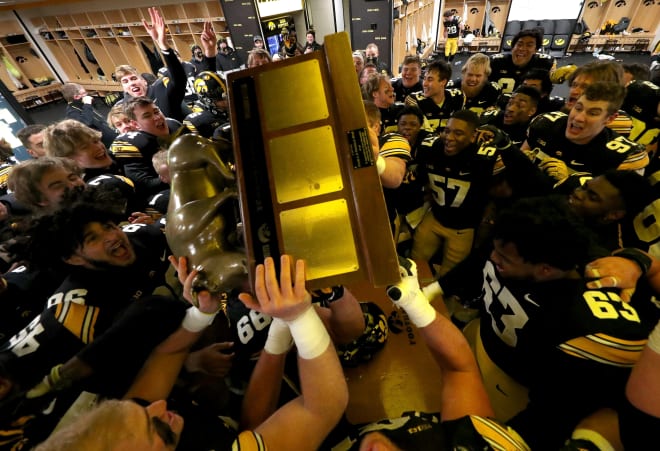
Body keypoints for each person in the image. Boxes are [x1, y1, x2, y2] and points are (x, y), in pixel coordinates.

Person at [33, 255, 349, 451]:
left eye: (141, 409)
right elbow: (321, 408)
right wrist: (298, 316)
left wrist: (202, 313)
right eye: (151, 424)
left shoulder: (131, 428)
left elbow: (165, 357)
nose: (158, 404)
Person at [437, 197, 656, 450]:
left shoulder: (588, 326)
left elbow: (551, 417)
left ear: (545, 270)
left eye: (504, 258)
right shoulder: (516, 243)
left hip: (515, 391)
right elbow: (483, 260)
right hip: (485, 346)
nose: (493, 256)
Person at [411, 110, 501, 277]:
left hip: (463, 227)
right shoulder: (430, 148)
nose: (449, 137)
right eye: (447, 131)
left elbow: (496, 196)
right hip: (436, 216)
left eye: (458, 133)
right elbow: (420, 180)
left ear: (473, 136)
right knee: (414, 266)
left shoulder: (484, 158)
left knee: (448, 279)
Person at [521, 82, 649, 189]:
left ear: (610, 118)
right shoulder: (546, 124)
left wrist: (570, 184)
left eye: (592, 113)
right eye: (578, 108)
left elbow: (614, 210)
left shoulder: (625, 157)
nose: (578, 118)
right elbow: (519, 160)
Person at [114, 8, 213, 122]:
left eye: (133, 78)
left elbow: (178, 78)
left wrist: (162, 45)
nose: (131, 83)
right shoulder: (123, 107)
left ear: (144, 81)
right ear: (123, 88)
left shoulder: (160, 89)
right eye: (125, 81)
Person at [109, 96, 175, 200]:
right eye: (147, 116)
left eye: (156, 112)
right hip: (160, 193)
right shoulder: (129, 143)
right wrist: (177, 173)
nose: (157, 117)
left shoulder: (173, 125)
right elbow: (143, 185)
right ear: (136, 123)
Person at [405, 60, 466, 133]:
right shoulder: (414, 100)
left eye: (430, 79)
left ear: (443, 82)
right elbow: (424, 133)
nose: (424, 84)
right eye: (424, 78)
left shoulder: (458, 96)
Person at [489, 29, 556, 94]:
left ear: (535, 50)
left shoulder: (544, 63)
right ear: (512, 47)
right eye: (519, 44)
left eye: (529, 45)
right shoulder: (496, 61)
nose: (522, 49)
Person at [61, 83, 117, 148]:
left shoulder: (82, 103)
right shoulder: (72, 112)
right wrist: (87, 104)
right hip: (106, 143)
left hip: (110, 132)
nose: (87, 95)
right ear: (76, 97)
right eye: (84, 93)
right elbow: (86, 123)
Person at [183, 71, 230, 139]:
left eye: (228, 95)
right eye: (223, 98)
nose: (228, 100)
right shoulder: (197, 121)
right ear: (208, 100)